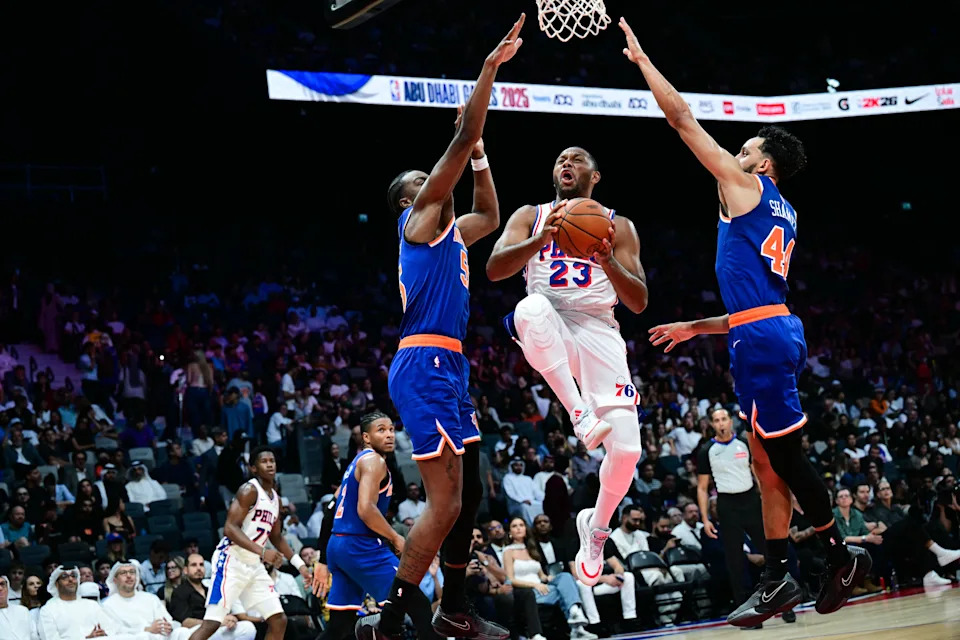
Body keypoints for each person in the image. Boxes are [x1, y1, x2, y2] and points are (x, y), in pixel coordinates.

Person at [618, 17, 868, 626]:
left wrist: (645, 62)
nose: (739, 149)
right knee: (764, 461)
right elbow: (753, 301)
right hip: (763, 328)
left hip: (762, 337)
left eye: (750, 146)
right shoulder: (782, 209)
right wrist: (695, 328)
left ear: (765, 164)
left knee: (783, 458)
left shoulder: (747, 187)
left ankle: (839, 553)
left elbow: (681, 121)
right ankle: (780, 575)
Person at [357, 16, 525, 640]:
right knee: (447, 501)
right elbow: (457, 150)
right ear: (411, 200)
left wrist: (480, 154)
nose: (434, 187)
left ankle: (452, 605)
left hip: (450, 365)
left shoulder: (453, 229)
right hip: (423, 362)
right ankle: (397, 617)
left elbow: (490, 212)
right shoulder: (419, 224)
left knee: (470, 495)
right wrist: (487, 74)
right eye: (424, 185)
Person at [486, 150, 647, 586]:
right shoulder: (531, 215)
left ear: (594, 176)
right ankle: (578, 411)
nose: (566, 162)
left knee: (628, 451)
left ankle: (595, 529)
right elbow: (495, 269)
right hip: (551, 322)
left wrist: (607, 257)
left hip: (598, 329)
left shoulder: (620, 225)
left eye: (576, 159)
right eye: (560, 159)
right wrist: (541, 240)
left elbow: (638, 301)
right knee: (530, 306)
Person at [312, 413, 437, 640]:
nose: (389, 434)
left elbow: (331, 509)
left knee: (339, 624)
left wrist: (323, 559)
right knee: (417, 603)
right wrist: (396, 538)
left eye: (391, 429)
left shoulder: (356, 463)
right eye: (381, 430)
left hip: (339, 545)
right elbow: (366, 509)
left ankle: (374, 630)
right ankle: (377, 631)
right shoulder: (374, 462)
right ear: (366, 438)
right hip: (361, 545)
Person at [188, 447, 311, 640]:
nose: (270, 464)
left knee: (279, 620)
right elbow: (230, 528)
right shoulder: (249, 490)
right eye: (264, 461)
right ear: (253, 468)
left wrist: (300, 565)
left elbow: (277, 537)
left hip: (253, 564)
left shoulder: (276, 500)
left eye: (272, 460)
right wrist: (263, 552)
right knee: (212, 623)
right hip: (231, 560)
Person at [696, 408, 771, 613]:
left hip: (750, 500)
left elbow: (757, 473)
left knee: (769, 550)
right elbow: (702, 488)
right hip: (727, 505)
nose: (721, 424)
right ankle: (745, 609)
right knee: (735, 560)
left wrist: (766, 499)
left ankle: (781, 597)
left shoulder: (745, 443)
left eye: (724, 419)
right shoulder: (706, 451)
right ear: (712, 425)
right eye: (716, 420)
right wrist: (705, 518)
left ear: (731, 421)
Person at [169, 554, 257, 640]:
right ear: (185, 570)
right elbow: (185, 622)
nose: (199, 568)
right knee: (182, 633)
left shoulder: (210, 590)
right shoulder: (179, 592)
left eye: (201, 565)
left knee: (248, 627)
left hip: (216, 629)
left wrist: (230, 619)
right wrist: (215, 623)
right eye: (194, 565)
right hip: (196, 630)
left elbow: (223, 613)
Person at [36, 565, 130, 640]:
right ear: (56, 584)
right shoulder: (48, 610)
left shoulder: (92, 605)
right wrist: (86, 638)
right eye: (65, 576)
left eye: (74, 576)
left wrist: (104, 633)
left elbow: (111, 629)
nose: (70, 579)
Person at [101, 559, 180, 640]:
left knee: (181, 632)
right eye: (123, 573)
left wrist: (167, 626)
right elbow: (114, 631)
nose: (129, 575)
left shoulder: (151, 598)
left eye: (132, 572)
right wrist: (146, 630)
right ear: (115, 580)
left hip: (159, 636)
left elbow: (166, 620)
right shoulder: (107, 605)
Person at [0, 574, 34, 640]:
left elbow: (33, 635)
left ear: (7, 588)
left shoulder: (22, 611)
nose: (0, 588)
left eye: (2, 584)